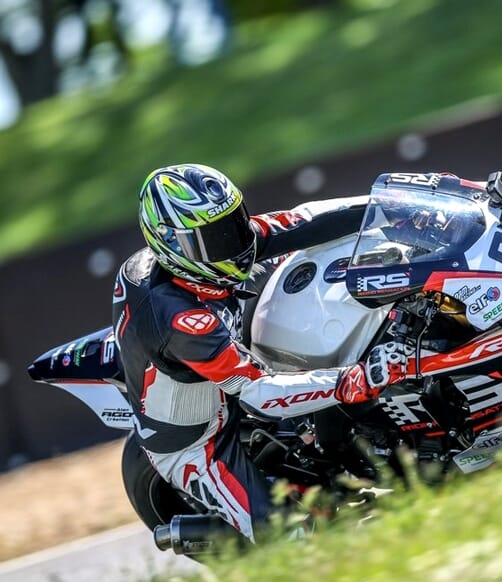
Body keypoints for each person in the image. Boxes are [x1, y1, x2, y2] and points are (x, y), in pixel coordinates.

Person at [112, 163, 409, 544]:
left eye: (233, 223)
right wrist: (357, 379)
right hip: (201, 441)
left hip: (229, 362)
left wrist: (388, 208)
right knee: (299, 541)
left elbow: (302, 220)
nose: (234, 243)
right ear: (172, 245)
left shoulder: (216, 253)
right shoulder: (182, 321)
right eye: (214, 238)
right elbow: (264, 394)